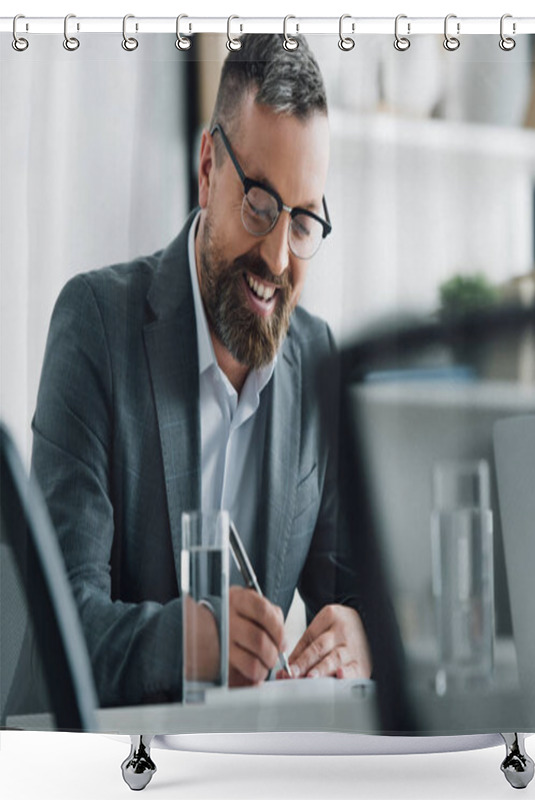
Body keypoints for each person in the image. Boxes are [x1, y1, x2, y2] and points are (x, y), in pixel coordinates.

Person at [30, 34, 371, 708]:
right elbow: (52, 626)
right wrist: (184, 646)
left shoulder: (318, 359)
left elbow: (360, 594)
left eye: (302, 221)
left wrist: (360, 635)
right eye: (261, 205)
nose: (277, 256)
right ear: (209, 167)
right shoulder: (96, 326)